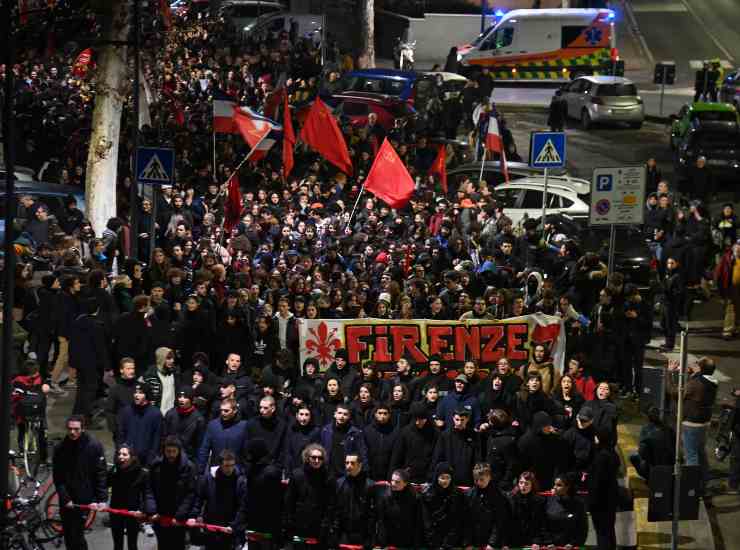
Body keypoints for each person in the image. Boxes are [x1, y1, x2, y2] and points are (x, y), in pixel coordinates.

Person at [52, 415, 108, 550]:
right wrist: (65, 499)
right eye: (70, 429)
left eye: (76, 429)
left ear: (83, 429)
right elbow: (58, 477)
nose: (72, 432)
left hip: (84, 499)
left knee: (77, 534)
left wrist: (101, 499)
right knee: (68, 534)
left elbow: (100, 474)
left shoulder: (94, 446)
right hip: (67, 500)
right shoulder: (60, 448)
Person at [666, 356, 718, 497]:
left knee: (691, 457)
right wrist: (691, 373)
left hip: (691, 425)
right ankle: (704, 483)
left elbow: (674, 392)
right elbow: (695, 388)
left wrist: (669, 373)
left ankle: (691, 490)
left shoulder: (695, 384)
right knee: (701, 453)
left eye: (696, 363)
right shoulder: (711, 381)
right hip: (704, 423)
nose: (692, 364)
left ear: (699, 368)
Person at [145, 436, 197, 550]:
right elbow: (149, 489)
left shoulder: (188, 467)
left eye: (174, 451)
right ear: (164, 450)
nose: (171, 455)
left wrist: (179, 516)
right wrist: (152, 510)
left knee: (178, 545)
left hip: (178, 518)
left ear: (179, 450)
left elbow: (190, 493)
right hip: (160, 514)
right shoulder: (156, 465)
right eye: (168, 451)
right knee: (163, 544)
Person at [189, 450, 248, 550]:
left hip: (229, 529)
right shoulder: (209, 479)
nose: (230, 469)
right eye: (226, 466)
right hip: (211, 526)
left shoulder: (240, 481)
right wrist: (194, 516)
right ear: (220, 465)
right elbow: (199, 499)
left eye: (232, 465)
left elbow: (243, 507)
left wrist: (234, 525)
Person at [283, 443, 335, 549]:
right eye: (314, 457)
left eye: (320, 458)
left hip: (319, 527)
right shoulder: (297, 475)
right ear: (307, 458)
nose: (317, 460)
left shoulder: (328, 477)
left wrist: (326, 524)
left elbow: (331, 504)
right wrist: (289, 522)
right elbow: (289, 501)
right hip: (299, 526)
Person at [331, 453, 377, 549]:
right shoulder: (339, 483)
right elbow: (335, 509)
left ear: (360, 465)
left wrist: (370, 537)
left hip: (363, 535)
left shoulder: (370, 485)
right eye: (347, 463)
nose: (348, 466)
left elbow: (373, 514)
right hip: (344, 534)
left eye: (352, 463)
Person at [462, 463, 511, 549]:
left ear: (489, 477)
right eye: (476, 480)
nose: (478, 482)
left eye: (482, 479)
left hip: (491, 542)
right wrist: (467, 542)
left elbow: (499, 521)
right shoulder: (469, 495)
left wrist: (491, 543)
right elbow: (466, 520)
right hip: (473, 542)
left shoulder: (499, 496)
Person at [108, 445, 148, 550]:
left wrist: (142, 510)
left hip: (133, 512)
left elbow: (146, 494)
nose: (120, 457)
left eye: (124, 454)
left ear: (132, 457)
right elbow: (104, 484)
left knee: (132, 544)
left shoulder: (142, 474)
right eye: (119, 454)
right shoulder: (115, 469)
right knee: (117, 545)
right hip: (115, 510)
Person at [115, 382, 163, 467]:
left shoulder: (155, 414)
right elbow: (120, 433)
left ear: (147, 395)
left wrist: (151, 457)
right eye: (136, 392)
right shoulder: (126, 411)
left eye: (140, 393)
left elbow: (157, 438)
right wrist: (121, 450)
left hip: (146, 460)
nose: (136, 395)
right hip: (127, 458)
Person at [588, 427, 620, 550]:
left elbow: (597, 482)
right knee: (609, 529)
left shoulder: (601, 457)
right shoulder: (612, 454)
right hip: (611, 499)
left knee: (602, 532)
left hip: (601, 502)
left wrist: (591, 502)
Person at [391, 401, 438, 483]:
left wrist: (431, 474)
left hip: (427, 477)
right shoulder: (405, 432)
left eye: (421, 419)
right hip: (408, 477)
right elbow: (397, 456)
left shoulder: (435, 433)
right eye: (415, 419)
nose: (417, 422)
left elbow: (436, 456)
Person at [375, 469, 422, 548]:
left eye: (397, 482)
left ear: (405, 483)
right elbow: (381, 521)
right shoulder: (385, 496)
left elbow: (418, 522)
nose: (393, 484)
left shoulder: (414, 498)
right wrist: (382, 542)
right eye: (392, 480)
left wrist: (416, 544)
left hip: (407, 540)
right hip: (389, 541)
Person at [198, 397, 248, 472]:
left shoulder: (243, 426)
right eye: (221, 410)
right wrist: (200, 470)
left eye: (226, 411)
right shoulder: (213, 425)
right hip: (216, 469)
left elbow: (246, 451)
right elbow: (204, 449)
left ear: (235, 410)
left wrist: (244, 470)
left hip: (236, 470)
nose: (223, 413)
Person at [432, 408, 479, 487]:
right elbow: (438, 456)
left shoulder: (474, 435)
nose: (459, 422)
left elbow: (477, 457)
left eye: (462, 420)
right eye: (457, 419)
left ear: (467, 419)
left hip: (467, 478)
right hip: (449, 478)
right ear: (453, 418)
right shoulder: (445, 435)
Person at [420, 462, 463, 549]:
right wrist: (434, 543)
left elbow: (457, 521)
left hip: (450, 541)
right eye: (442, 478)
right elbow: (426, 521)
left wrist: (447, 544)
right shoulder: (427, 494)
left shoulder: (457, 495)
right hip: (431, 541)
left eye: (448, 478)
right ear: (436, 477)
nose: (445, 481)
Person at [319, 403, 368, 478]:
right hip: (328, 473)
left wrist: (363, 471)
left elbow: (362, 453)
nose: (341, 416)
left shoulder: (355, 433)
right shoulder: (326, 430)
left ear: (349, 417)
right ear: (335, 414)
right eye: (339, 413)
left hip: (347, 473)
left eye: (345, 414)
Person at [629, 406, 675, 480]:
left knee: (632, 456)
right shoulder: (669, 429)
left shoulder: (646, 429)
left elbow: (642, 451)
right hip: (669, 468)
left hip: (653, 468)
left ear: (647, 417)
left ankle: (649, 477)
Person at [543, 472, 589, 547]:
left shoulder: (578, 504)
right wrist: (548, 542)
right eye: (554, 484)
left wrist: (573, 543)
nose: (554, 487)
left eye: (559, 485)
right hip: (551, 546)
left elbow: (582, 529)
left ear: (568, 487)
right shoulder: (549, 501)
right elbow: (544, 525)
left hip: (570, 546)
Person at [163, 387, 207, 462]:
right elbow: (164, 436)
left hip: (188, 459)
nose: (181, 399)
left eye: (185, 397)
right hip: (169, 457)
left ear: (191, 400)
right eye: (179, 396)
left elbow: (200, 445)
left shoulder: (198, 419)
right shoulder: (170, 414)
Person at [507, 471, 547, 548]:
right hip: (513, 540)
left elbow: (540, 523)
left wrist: (536, 541)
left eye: (526, 483)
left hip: (531, 541)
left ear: (532, 485)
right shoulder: (511, 498)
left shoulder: (539, 501)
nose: (523, 486)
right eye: (521, 482)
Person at [363, 404, 399, 481]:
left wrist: (390, 476)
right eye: (380, 413)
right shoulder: (367, 431)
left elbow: (395, 456)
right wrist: (367, 473)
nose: (382, 416)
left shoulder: (395, 432)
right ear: (375, 414)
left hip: (388, 475)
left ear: (389, 415)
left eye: (385, 413)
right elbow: (364, 453)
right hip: (370, 474)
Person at [715, 240, 740, 340]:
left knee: (738, 307)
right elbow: (719, 272)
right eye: (737, 246)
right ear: (734, 247)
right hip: (730, 287)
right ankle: (728, 330)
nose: (738, 249)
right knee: (730, 307)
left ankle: (736, 328)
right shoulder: (727, 257)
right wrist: (719, 286)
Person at [661, 256, 687, 352]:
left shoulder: (678, 276)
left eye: (672, 263)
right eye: (668, 263)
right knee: (663, 323)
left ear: (676, 264)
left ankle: (669, 345)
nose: (670, 265)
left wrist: (671, 293)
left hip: (671, 304)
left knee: (670, 325)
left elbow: (680, 291)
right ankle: (668, 342)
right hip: (665, 303)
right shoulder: (667, 274)